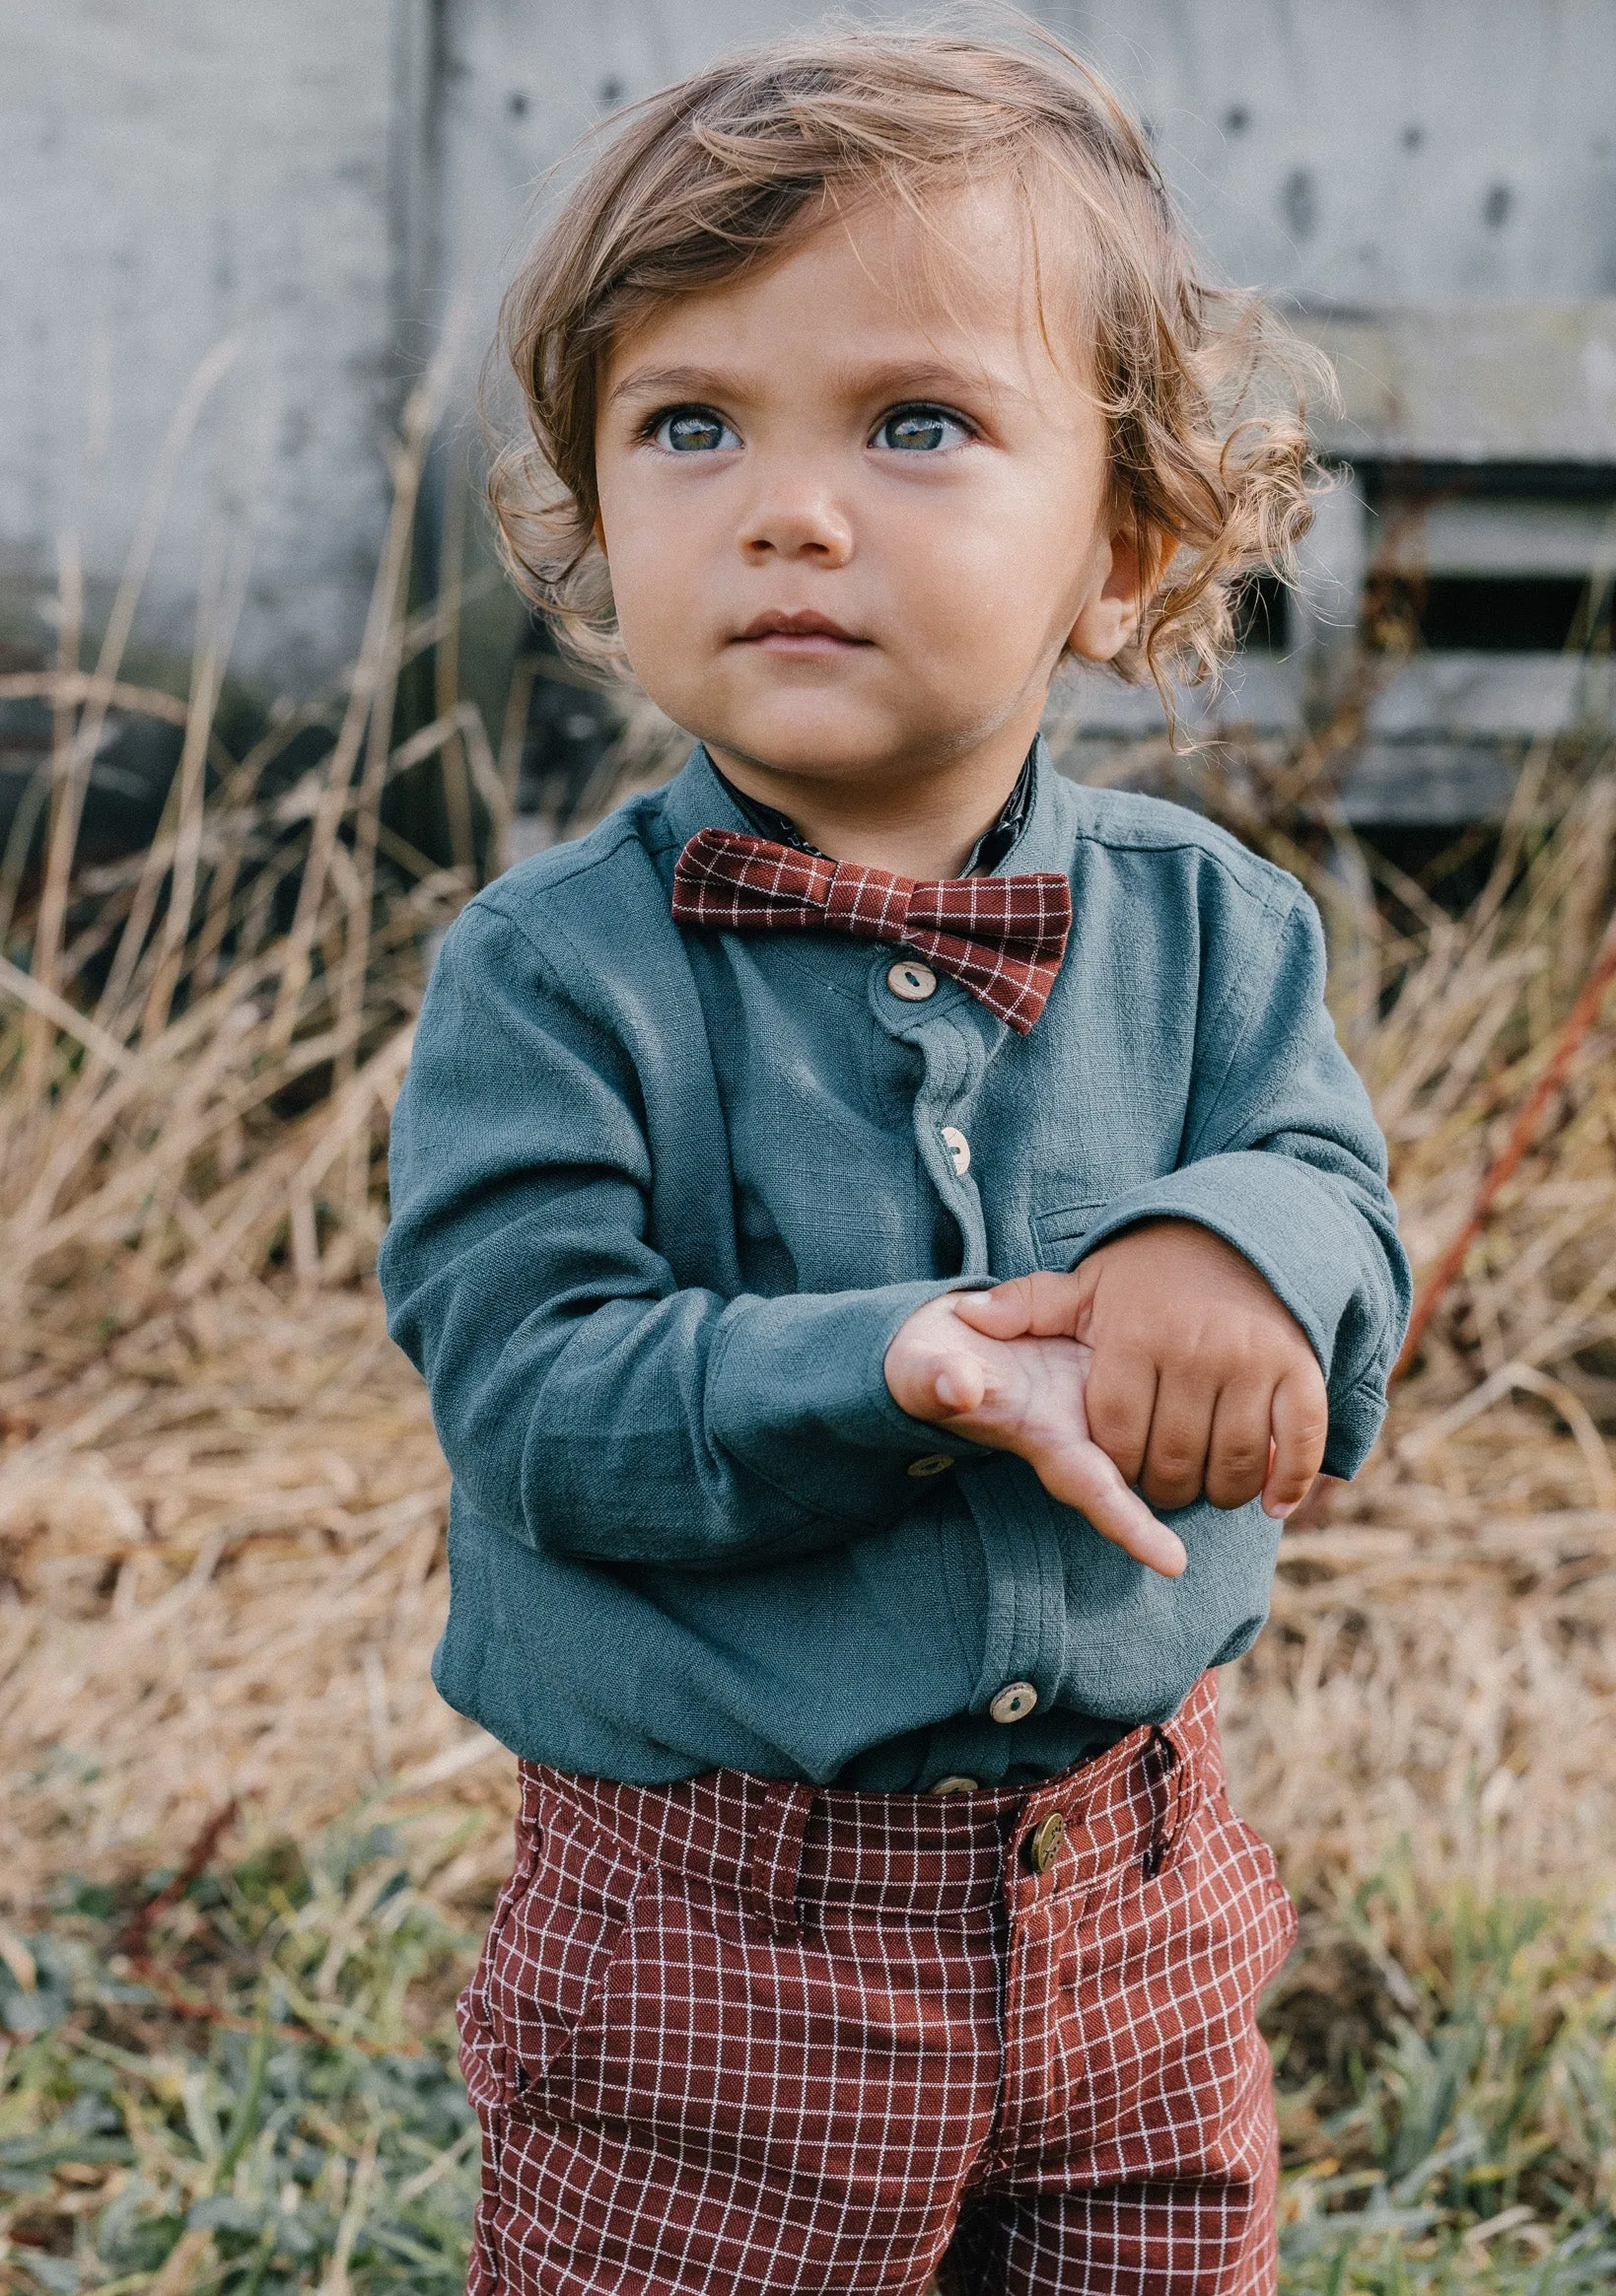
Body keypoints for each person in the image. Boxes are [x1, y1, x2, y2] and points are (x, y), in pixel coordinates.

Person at [379, 25, 1411, 2294]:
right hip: (711, 1946)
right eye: (689, 426)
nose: (792, 508)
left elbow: (1345, 1223)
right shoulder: (549, 978)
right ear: (594, 516)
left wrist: (1237, 1251)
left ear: (1123, 540)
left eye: (916, 423)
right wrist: (903, 1360)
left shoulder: (1219, 933)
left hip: (1137, 1904)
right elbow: (538, 1399)